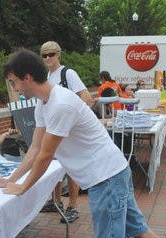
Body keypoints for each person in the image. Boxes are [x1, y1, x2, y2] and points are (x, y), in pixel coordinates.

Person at [0, 48, 166, 238]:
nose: (13, 88)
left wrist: (23, 187)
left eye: (13, 82)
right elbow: (34, 149)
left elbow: (45, 155)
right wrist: (10, 179)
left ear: (27, 78)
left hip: (106, 178)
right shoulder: (43, 104)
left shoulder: (61, 104)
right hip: (112, 174)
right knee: (141, 232)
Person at [39, 41, 94, 223]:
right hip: (53, 129)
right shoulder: (46, 76)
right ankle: (56, 201)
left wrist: (70, 119)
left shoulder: (67, 73)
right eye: (44, 55)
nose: (48, 58)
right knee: (55, 165)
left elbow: (86, 98)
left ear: (59, 55)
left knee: (71, 167)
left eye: (51, 54)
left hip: (69, 131)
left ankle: (72, 206)